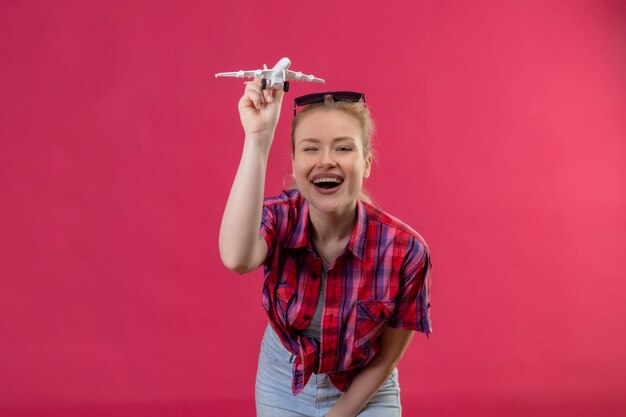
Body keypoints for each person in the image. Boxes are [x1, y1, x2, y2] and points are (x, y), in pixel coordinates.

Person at [219, 78, 432, 417]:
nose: (326, 160)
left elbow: (387, 356)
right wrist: (258, 139)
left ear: (367, 163)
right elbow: (236, 258)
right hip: (283, 379)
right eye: (310, 148)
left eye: (344, 148)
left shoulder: (407, 251)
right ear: (293, 162)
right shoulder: (279, 219)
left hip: (365, 385)